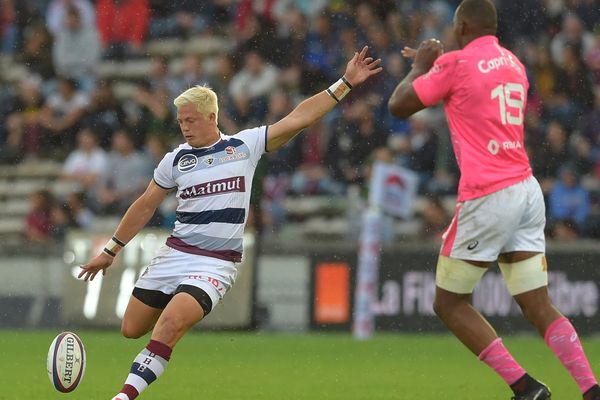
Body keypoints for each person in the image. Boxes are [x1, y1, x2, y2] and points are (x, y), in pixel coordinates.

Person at [78, 46, 381, 400]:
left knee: (170, 325)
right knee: (131, 329)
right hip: (175, 254)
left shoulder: (244, 145)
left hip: (216, 263)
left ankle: (125, 395)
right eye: (180, 122)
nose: (184, 128)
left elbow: (299, 118)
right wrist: (112, 250)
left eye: (190, 120)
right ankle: (167, 323)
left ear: (211, 117)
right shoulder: (175, 159)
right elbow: (145, 205)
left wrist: (344, 83)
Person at [387, 1, 599, 399]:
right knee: (538, 304)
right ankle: (591, 389)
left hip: (488, 195)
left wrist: (421, 68)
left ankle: (525, 387)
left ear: (463, 25)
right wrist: (441, 63)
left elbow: (398, 105)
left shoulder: (456, 65)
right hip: (526, 189)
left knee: (449, 304)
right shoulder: (514, 63)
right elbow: (476, 84)